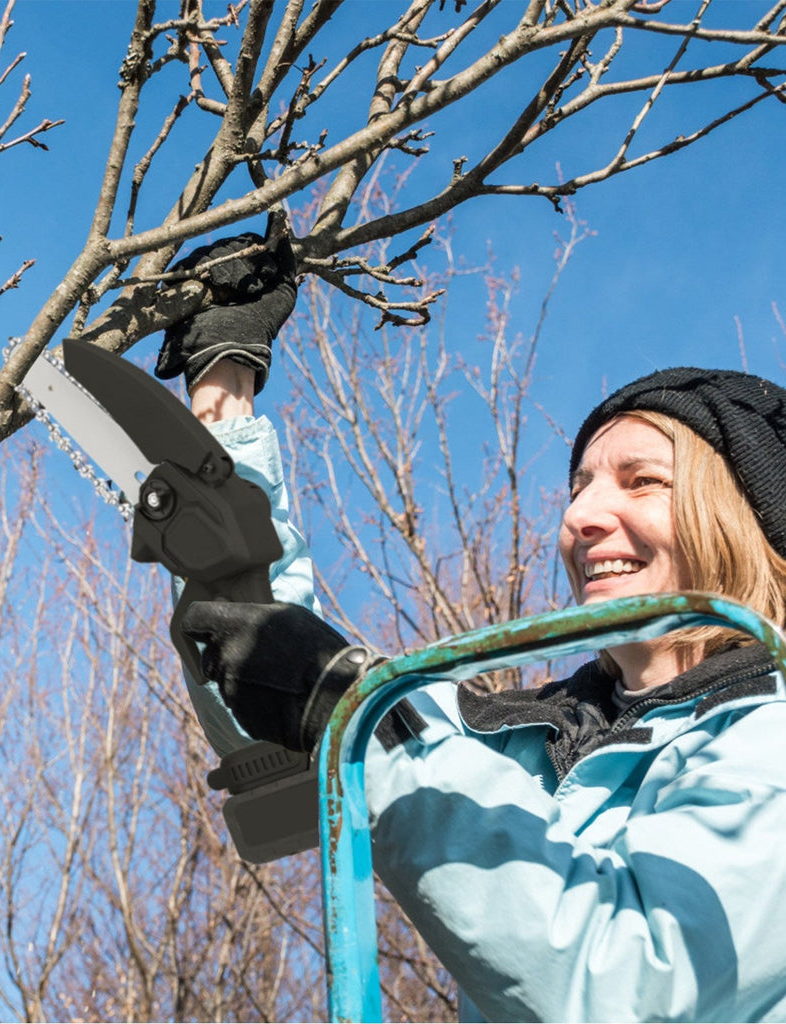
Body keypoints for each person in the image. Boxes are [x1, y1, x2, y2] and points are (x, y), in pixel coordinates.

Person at [157, 232, 786, 1022]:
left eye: (642, 482)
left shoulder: (772, 737)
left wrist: (354, 712)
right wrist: (223, 401)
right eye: (579, 487)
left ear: (741, 520)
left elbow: (626, 990)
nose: (582, 516)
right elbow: (265, 686)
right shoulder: (523, 741)